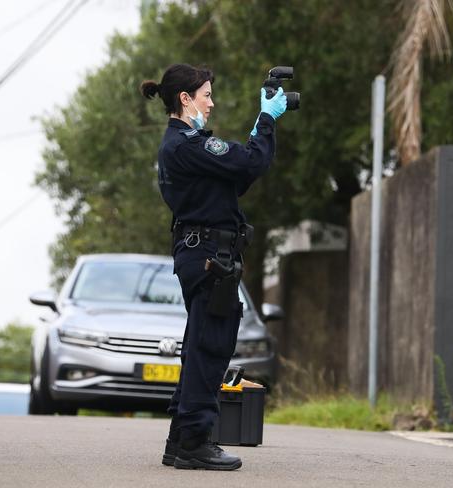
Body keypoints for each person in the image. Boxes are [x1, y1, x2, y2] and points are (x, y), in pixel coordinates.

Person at [140, 63, 286, 471]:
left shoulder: (188, 144)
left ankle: (180, 441)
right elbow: (249, 164)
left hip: (205, 253)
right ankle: (195, 441)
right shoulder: (186, 144)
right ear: (185, 99)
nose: (212, 101)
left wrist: (260, 133)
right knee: (210, 346)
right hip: (208, 255)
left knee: (202, 343)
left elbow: (236, 179)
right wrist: (265, 122)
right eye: (206, 94)